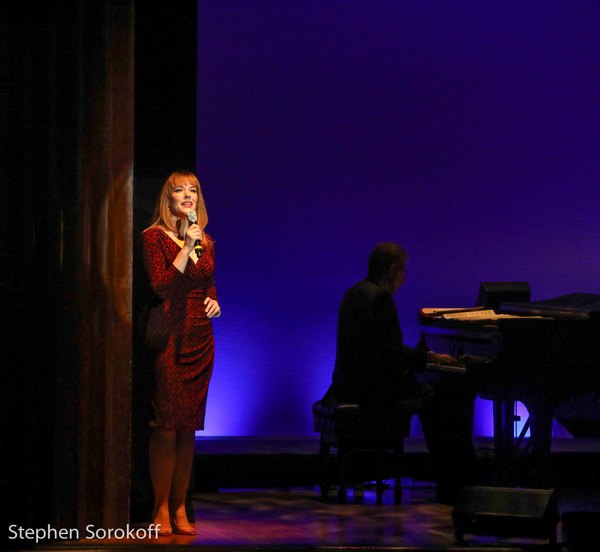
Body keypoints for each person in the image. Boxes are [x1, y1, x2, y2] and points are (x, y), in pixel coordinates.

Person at [325, 242, 476, 502]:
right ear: (393, 270)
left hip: (349, 384)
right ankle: (457, 479)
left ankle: (452, 476)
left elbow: (381, 350)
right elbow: (391, 354)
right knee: (445, 399)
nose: (404, 279)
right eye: (404, 272)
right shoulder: (381, 298)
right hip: (372, 390)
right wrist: (429, 358)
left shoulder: (355, 292)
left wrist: (424, 360)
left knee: (436, 395)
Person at [141, 171, 221, 535]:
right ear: (168, 198)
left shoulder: (207, 240)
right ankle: (159, 508)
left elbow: (208, 282)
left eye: (193, 190)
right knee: (166, 427)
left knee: (189, 428)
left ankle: (180, 508)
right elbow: (161, 285)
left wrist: (214, 301)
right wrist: (186, 247)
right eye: (179, 190)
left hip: (200, 338)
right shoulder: (154, 237)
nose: (187, 195)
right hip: (170, 336)